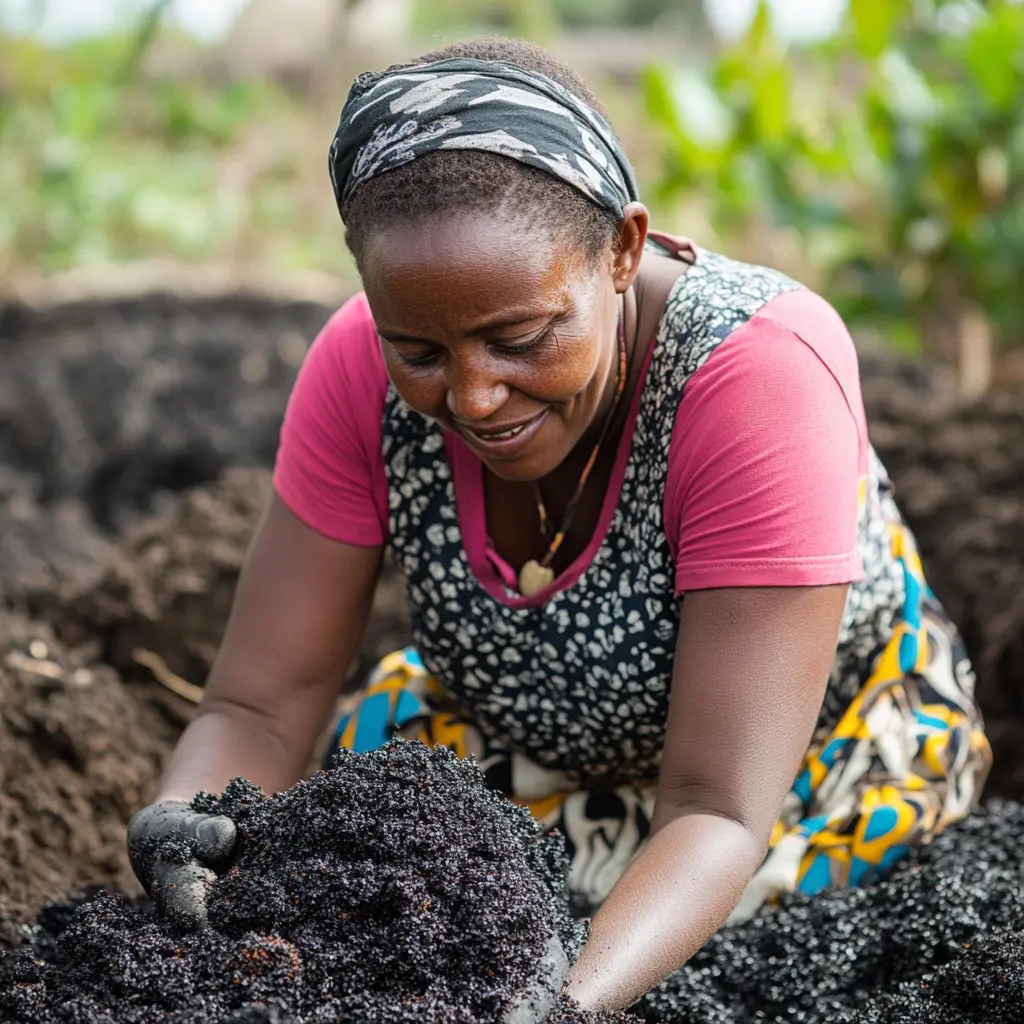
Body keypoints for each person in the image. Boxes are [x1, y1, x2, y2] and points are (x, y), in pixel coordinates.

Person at [127, 36, 991, 1018]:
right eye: (419, 349)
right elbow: (256, 710)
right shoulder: (355, 370)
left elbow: (715, 807)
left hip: (786, 785)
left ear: (623, 249)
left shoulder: (756, 376)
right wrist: (187, 835)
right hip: (519, 755)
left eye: (521, 337)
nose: (474, 395)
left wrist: (563, 1004)